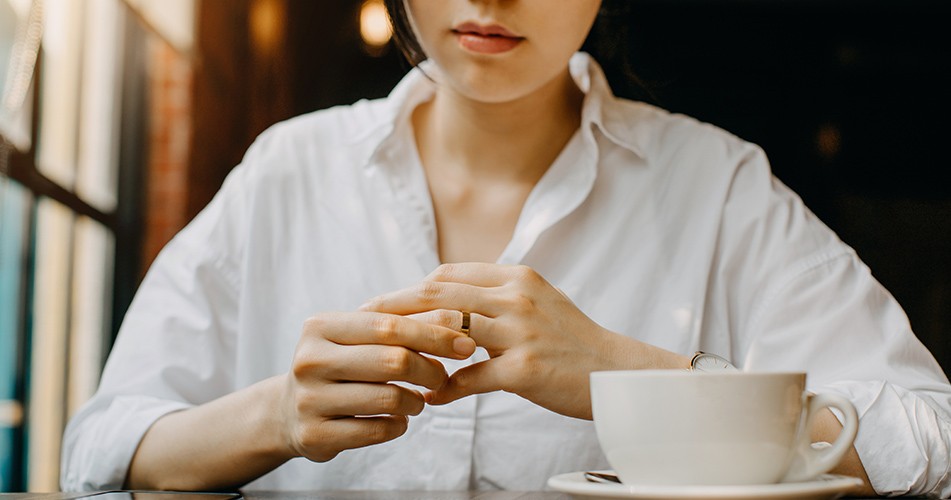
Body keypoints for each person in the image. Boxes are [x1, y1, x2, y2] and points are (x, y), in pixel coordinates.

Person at [62, 0, 951, 496]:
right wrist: (279, 420)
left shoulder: (717, 186)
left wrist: (633, 375)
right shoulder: (287, 171)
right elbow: (102, 449)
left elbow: (932, 433)